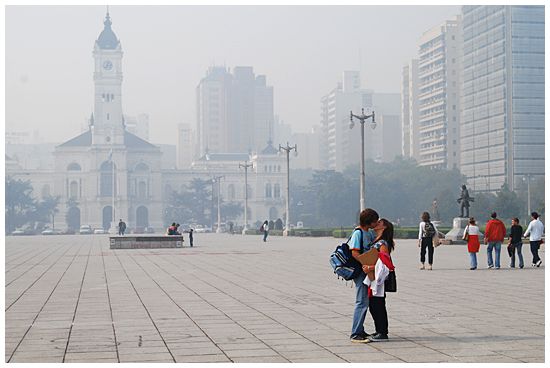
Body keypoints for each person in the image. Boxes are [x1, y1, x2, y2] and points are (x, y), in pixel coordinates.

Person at [349, 208, 380, 343]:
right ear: (369, 222)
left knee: (364, 301)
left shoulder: (369, 233)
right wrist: (365, 263)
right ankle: (355, 333)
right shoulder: (358, 233)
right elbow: (354, 252)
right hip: (361, 271)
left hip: (366, 271)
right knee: (361, 302)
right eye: (375, 221)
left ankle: (360, 329)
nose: (376, 223)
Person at [362, 218, 395, 342]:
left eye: (380, 222)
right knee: (373, 304)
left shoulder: (383, 244)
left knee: (378, 305)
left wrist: (370, 267)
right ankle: (378, 330)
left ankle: (383, 332)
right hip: (372, 277)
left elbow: (385, 263)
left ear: (384, 227)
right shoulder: (375, 240)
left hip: (379, 278)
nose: (376, 223)